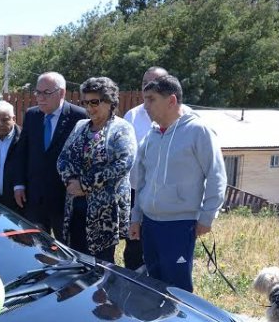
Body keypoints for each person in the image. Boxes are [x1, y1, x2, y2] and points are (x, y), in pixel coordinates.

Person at [128, 75, 226, 293]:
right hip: (150, 225)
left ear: (171, 101)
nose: (145, 106)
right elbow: (141, 182)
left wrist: (207, 216)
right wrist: (136, 217)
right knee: (154, 284)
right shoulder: (151, 136)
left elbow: (216, 175)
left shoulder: (198, 131)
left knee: (178, 289)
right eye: (145, 99)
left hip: (179, 225)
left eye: (151, 99)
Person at [57, 76, 136, 262]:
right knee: (77, 262)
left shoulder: (122, 128)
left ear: (110, 102)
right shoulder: (80, 126)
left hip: (105, 214)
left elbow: (123, 163)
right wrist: (71, 182)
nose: (89, 107)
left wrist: (85, 184)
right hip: (75, 207)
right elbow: (63, 158)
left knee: (101, 267)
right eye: (85, 102)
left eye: (95, 102)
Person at [12, 72, 87, 238]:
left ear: (61, 93)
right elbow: (22, 152)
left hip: (64, 198)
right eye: (38, 92)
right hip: (35, 197)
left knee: (66, 248)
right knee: (36, 247)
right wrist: (19, 184)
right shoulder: (32, 115)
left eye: (46, 93)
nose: (40, 97)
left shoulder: (79, 117)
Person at [122, 66, 168, 271]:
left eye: (154, 83)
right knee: (134, 246)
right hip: (136, 193)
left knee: (162, 249)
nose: (147, 87)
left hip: (167, 196)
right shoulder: (132, 116)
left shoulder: (184, 116)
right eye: (144, 83)